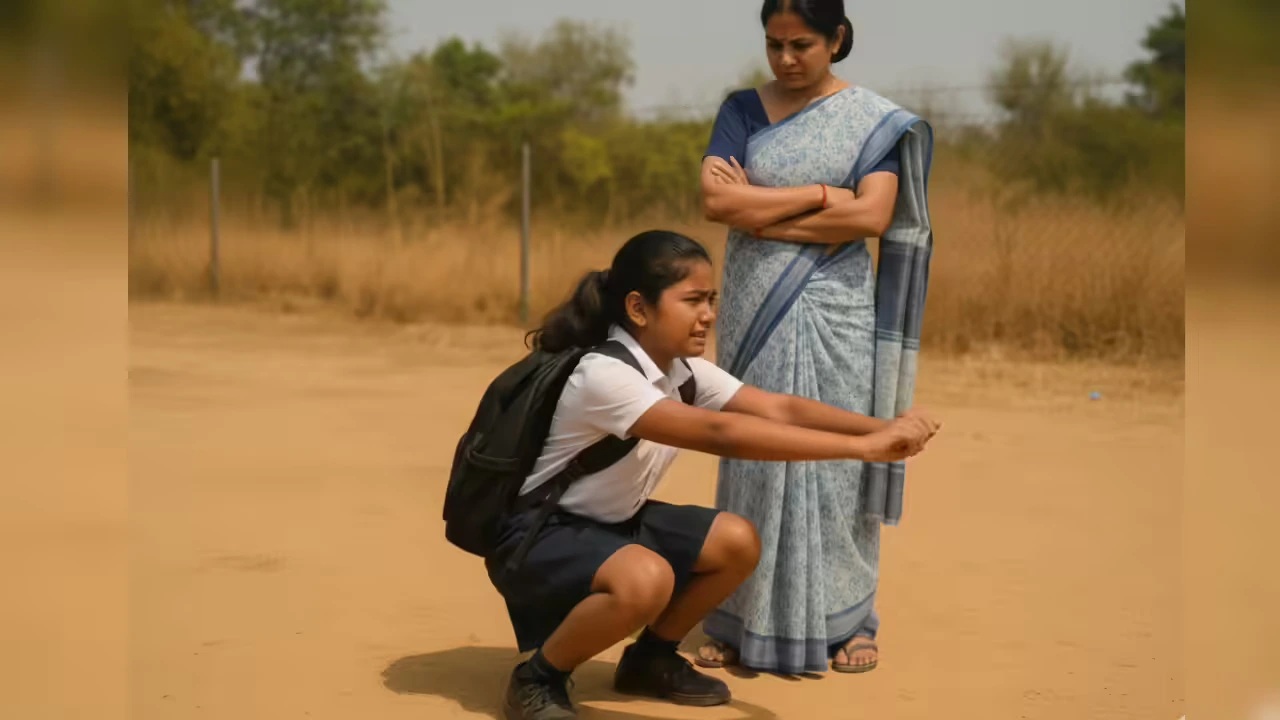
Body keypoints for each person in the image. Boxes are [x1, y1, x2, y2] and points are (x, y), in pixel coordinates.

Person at [485, 229, 939, 719]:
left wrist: (883, 429)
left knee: (736, 540)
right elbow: (721, 433)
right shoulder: (605, 376)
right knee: (647, 579)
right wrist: (861, 450)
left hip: (607, 526)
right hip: (539, 536)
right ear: (639, 309)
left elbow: (778, 408)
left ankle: (650, 659)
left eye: (712, 299)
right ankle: (538, 678)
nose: (709, 314)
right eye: (693, 300)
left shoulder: (680, 371)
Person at [695, 0, 937, 675]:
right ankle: (736, 619)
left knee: (836, 457)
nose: (785, 59)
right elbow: (717, 204)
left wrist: (766, 215)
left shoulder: (874, 121)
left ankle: (852, 620)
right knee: (750, 452)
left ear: (837, 39)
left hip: (835, 309)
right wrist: (825, 194)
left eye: (801, 44)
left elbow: (872, 216)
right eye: (774, 45)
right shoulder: (741, 109)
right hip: (753, 303)